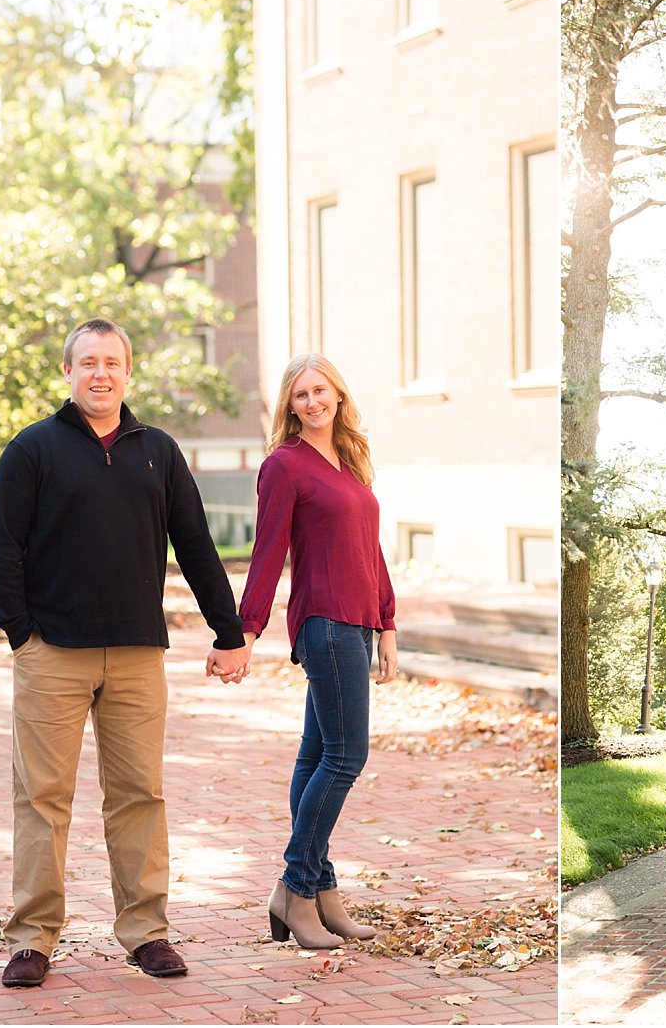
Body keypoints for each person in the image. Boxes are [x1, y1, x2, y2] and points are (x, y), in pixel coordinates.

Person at [0, 318, 250, 988]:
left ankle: (146, 930)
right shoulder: (33, 448)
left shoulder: (156, 450)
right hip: (54, 653)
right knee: (42, 798)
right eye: (88, 361)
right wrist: (21, 633)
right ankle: (32, 938)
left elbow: (195, 543)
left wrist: (229, 630)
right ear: (67, 372)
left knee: (139, 795)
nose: (100, 372)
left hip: (137, 653)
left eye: (112, 361)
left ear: (127, 372)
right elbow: (1, 546)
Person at [236, 353, 399, 950]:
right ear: (290, 405)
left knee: (316, 757)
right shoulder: (284, 466)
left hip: (356, 624)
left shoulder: (349, 460)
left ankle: (322, 893)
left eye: (321, 390)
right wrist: (245, 631)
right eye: (300, 394)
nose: (312, 401)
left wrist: (387, 623)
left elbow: (370, 547)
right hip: (324, 625)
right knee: (345, 757)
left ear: (338, 395)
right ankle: (296, 888)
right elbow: (267, 553)